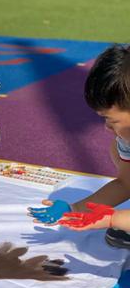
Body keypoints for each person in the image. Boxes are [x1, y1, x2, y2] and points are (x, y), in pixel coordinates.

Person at [29, 44, 130, 248]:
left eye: (111, 120)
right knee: (117, 150)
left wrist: (114, 219)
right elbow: (126, 184)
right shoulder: (125, 140)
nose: (107, 128)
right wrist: (75, 208)